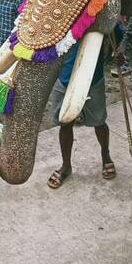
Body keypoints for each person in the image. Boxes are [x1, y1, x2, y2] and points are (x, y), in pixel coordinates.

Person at [46, 40, 116, 189]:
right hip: (64, 76)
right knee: (65, 123)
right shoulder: (60, 17)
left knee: (99, 121)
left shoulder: (100, 16)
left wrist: (117, 50)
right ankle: (66, 166)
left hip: (93, 78)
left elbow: (114, 35)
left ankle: (106, 155)